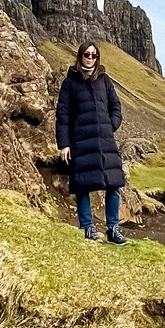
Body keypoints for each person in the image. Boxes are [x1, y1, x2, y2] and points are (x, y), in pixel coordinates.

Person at [56, 39, 128, 243]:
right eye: (86, 54)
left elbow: (116, 107)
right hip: (80, 142)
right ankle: (87, 228)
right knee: (82, 185)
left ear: (98, 58)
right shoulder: (70, 83)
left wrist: (110, 125)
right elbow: (62, 115)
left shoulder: (104, 81)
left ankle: (113, 230)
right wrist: (64, 144)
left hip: (105, 141)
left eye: (94, 55)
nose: (90, 58)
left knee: (114, 183)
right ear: (80, 57)